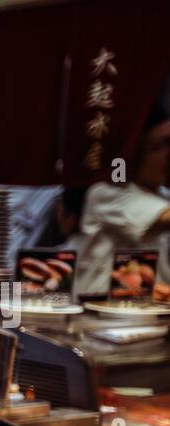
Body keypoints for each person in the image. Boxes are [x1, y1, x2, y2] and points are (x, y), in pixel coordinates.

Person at [74, 103, 170, 298]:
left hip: (150, 311)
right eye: (161, 146)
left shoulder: (163, 196)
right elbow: (162, 218)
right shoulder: (106, 193)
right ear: (134, 150)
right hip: (99, 315)